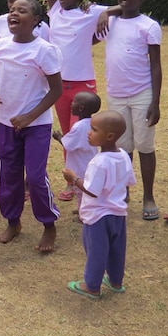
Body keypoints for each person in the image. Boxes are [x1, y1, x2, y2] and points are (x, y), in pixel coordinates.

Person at [0, 0, 63, 252]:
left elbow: (56, 91)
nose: (13, 14)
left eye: (22, 11)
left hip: (36, 125)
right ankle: (13, 222)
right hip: (6, 122)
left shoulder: (44, 50)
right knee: (9, 175)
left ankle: (49, 225)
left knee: (36, 178)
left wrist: (29, 117)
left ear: (35, 20)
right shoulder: (1, 45)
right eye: (12, 10)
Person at [44, 0, 106, 200]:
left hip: (83, 86)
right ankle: (72, 182)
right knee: (68, 136)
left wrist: (104, 12)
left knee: (84, 136)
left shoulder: (89, 12)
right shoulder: (55, 10)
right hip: (59, 85)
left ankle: (90, 180)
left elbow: (121, 8)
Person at [97, 0, 163, 220]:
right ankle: (122, 192)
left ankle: (148, 196)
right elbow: (90, 31)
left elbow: (156, 66)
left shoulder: (149, 26)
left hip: (142, 94)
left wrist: (155, 102)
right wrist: (105, 12)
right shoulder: (110, 21)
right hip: (116, 93)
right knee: (122, 147)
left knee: (145, 146)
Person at [63, 110, 135, 299]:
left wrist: (73, 178)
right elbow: (128, 182)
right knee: (117, 249)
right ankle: (116, 281)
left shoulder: (99, 162)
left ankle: (92, 286)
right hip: (118, 214)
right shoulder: (124, 156)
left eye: (94, 129)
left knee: (96, 251)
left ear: (109, 136)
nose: (89, 132)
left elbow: (91, 190)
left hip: (97, 216)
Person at [0, 0, 43, 202]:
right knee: (5, 141)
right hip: (2, 86)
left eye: (20, 4)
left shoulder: (43, 31)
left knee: (30, 143)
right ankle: (7, 183)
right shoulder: (0, 24)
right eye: (10, 3)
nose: (13, 8)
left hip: (30, 91)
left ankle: (29, 182)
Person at [53, 91, 101, 212]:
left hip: (80, 165)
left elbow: (68, 144)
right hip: (89, 161)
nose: (71, 104)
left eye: (74, 102)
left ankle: (83, 213)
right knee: (86, 190)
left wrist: (58, 136)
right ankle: (84, 208)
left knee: (81, 191)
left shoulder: (78, 126)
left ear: (80, 108)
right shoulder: (92, 123)